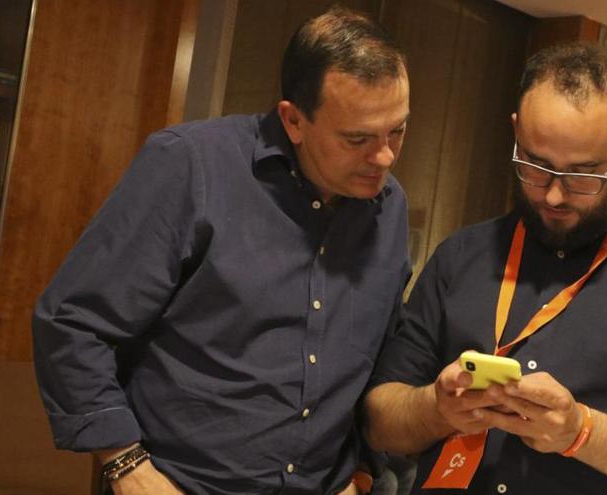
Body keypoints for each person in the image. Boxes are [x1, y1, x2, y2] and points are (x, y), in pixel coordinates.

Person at [32, 7, 411, 495]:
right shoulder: (190, 165)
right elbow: (71, 322)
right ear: (293, 120)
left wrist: (362, 469)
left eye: (396, 130)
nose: (383, 156)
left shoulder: (389, 206)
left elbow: (380, 360)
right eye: (357, 138)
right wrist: (126, 466)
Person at [363, 42, 607, 495]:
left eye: (584, 175)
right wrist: (436, 409)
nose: (553, 196)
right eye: (536, 166)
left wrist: (581, 433)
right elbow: (379, 419)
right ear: (516, 133)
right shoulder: (461, 255)